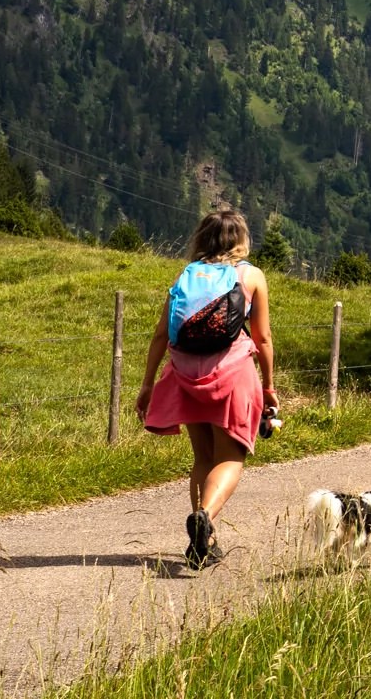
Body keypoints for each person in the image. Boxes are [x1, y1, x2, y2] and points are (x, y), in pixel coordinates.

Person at [136, 208, 277, 569]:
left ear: (203, 238)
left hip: (185, 375)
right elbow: (262, 338)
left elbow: (160, 334)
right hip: (231, 373)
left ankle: (205, 542)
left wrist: (148, 384)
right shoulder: (251, 276)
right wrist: (270, 387)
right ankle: (206, 517)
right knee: (231, 456)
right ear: (241, 239)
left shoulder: (186, 275)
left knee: (202, 458)